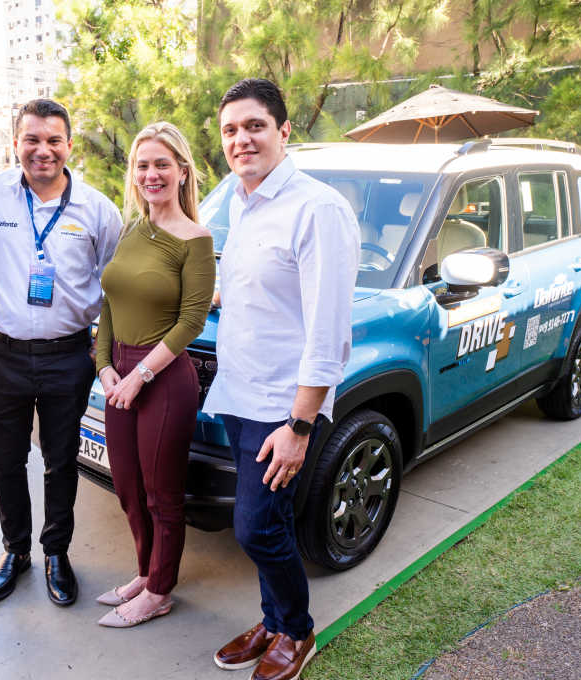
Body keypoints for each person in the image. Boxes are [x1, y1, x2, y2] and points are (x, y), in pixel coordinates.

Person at [202, 79, 360, 680]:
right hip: (242, 393)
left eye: (255, 126)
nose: (241, 139)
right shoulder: (244, 203)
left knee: (256, 528)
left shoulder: (317, 208)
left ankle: (296, 629)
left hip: (282, 405)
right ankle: (271, 621)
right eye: (231, 131)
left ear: (284, 131)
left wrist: (300, 424)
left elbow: (327, 331)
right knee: (267, 521)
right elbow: (264, 291)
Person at [0, 99, 122, 608]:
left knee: (59, 462)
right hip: (3, 354)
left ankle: (56, 552)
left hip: (68, 356)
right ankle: (15, 552)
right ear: (16, 145)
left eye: (53, 140)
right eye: (32, 139)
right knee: (5, 461)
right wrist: (8, 290)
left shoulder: (98, 210)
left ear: (69, 146)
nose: (42, 150)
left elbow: (112, 284)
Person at [92, 123, 215, 628]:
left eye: (162, 164)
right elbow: (110, 304)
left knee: (162, 495)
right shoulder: (130, 229)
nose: (151, 174)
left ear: (183, 171)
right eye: (142, 165)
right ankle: (146, 572)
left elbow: (193, 320)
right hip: (118, 376)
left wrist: (138, 374)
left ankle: (160, 589)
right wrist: (103, 367)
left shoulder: (195, 239)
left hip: (162, 380)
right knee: (126, 486)